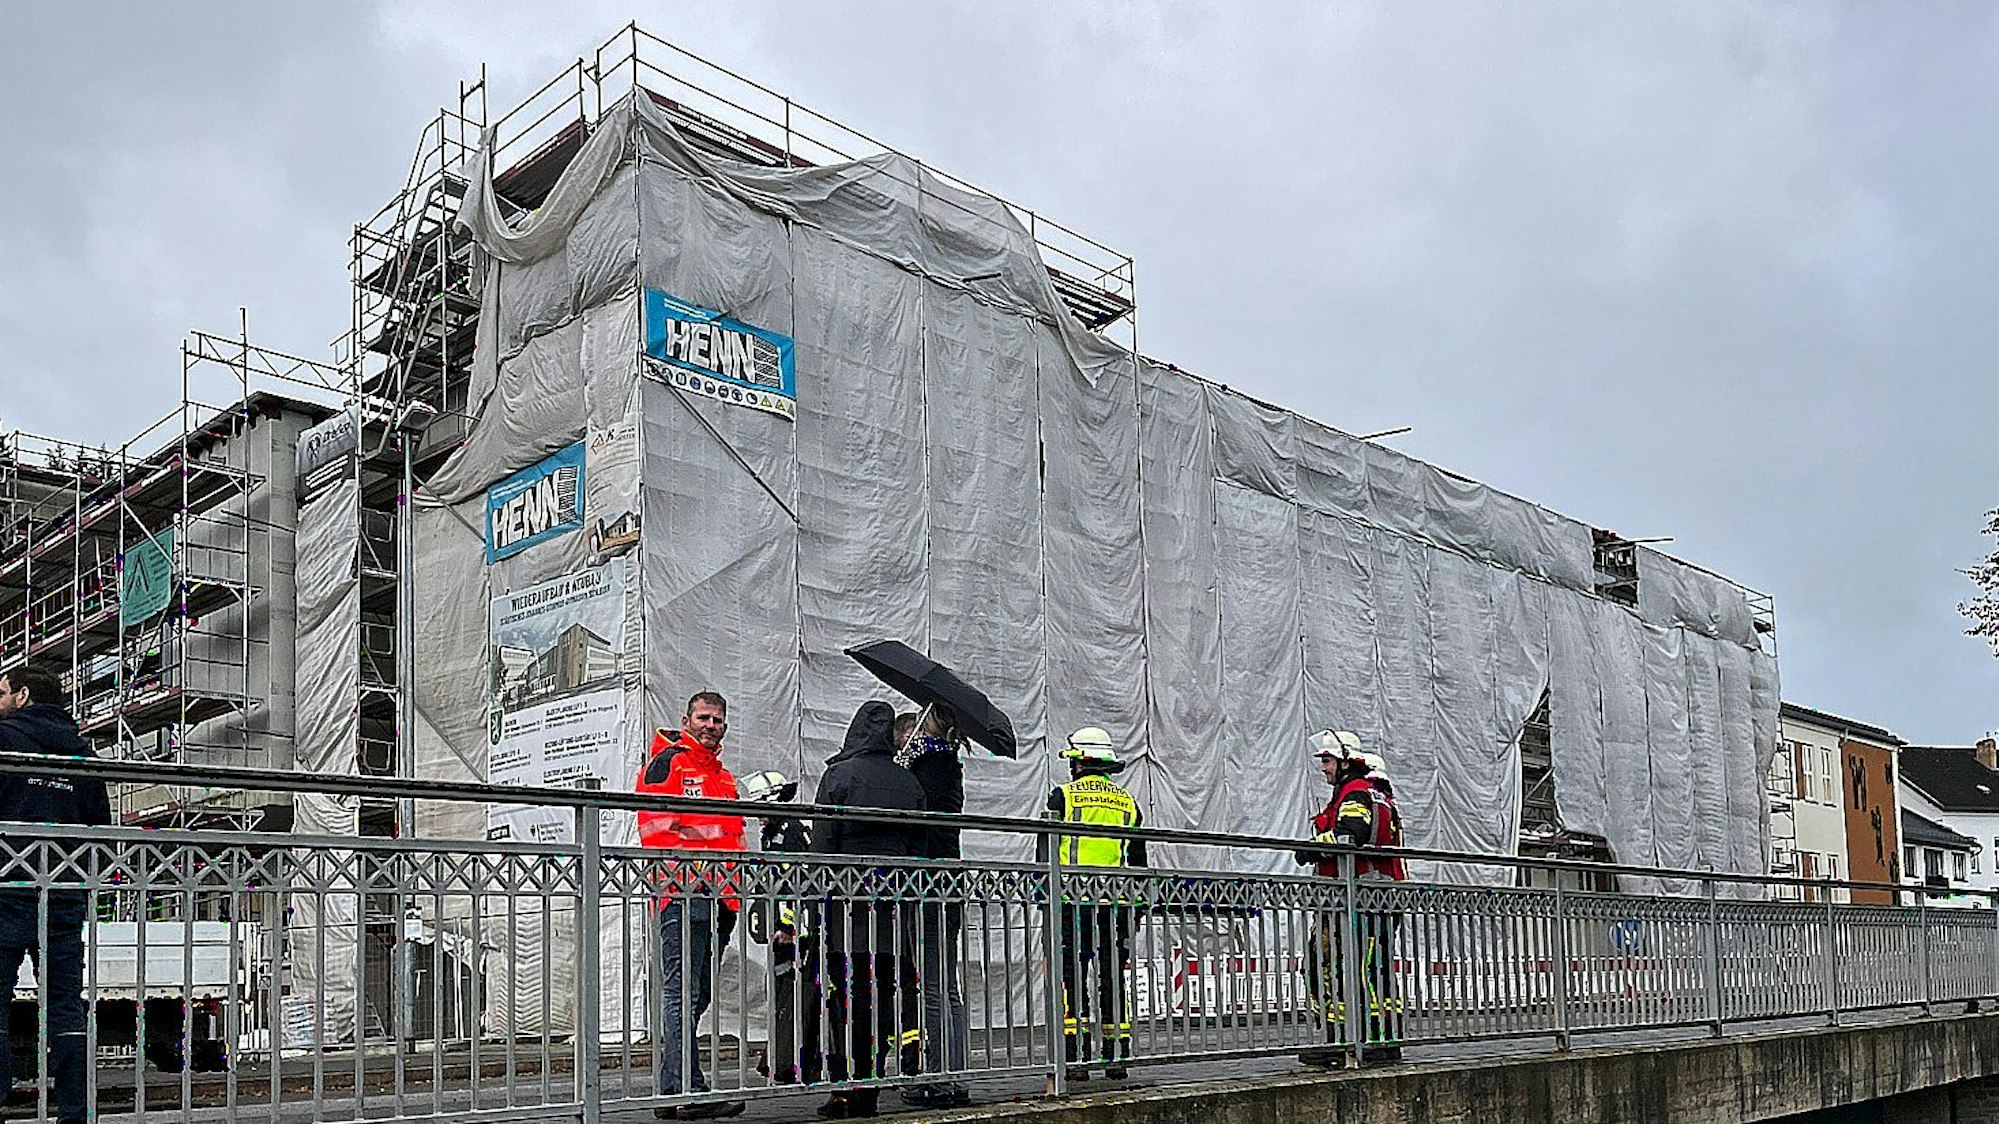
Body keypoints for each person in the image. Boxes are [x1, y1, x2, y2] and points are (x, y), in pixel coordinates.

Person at [0, 667, 111, 1124]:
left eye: (1, 691)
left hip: (5, 887)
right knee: (66, 1003)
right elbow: (98, 829)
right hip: (62, 892)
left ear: (23, 695)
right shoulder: (82, 750)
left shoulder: (2, 738)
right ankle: (75, 1111)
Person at [807, 701, 928, 1119]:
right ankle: (872, 1086)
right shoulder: (909, 783)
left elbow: (822, 847)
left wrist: (812, 909)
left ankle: (847, 1089)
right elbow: (919, 848)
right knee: (883, 999)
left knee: (846, 1001)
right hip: (893, 912)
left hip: (847, 910)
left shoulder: (838, 776)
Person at [635, 692, 747, 1119]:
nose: (711, 725)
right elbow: (657, 831)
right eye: (704, 718)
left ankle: (675, 1088)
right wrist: (696, 876)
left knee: (693, 995)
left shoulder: (723, 776)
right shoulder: (667, 764)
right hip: (684, 894)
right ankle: (686, 1090)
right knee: (683, 992)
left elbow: (731, 839)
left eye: (718, 720)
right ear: (686, 719)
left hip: (719, 898)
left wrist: (733, 892)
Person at [1295, 729, 1405, 1068]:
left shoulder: (1357, 795)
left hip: (1361, 893)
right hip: (1370, 893)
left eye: (1327, 761)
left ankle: (1350, 1038)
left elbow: (1350, 836)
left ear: (1345, 761)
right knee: (1371, 967)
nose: (1323, 768)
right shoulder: (1367, 795)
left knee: (1343, 966)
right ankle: (1377, 1037)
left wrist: (1309, 848)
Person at [1042, 726, 1145, 1082]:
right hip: (1115, 904)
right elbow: (1137, 862)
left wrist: (1045, 901)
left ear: (1079, 762)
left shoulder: (1063, 797)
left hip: (1072, 901)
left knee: (1072, 977)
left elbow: (1046, 857)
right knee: (1112, 976)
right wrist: (1138, 910)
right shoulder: (1128, 803)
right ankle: (1117, 1055)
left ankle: (1076, 1057)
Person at [893, 708, 971, 1109]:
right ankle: (955, 1076)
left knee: (934, 988)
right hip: (948, 883)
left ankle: (941, 1079)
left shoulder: (929, 765)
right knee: (947, 986)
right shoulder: (949, 764)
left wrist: (904, 767)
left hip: (927, 885)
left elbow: (917, 824)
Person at [738, 769, 814, 1087]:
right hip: (786, 930)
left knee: (791, 997)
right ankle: (780, 1061)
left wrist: (787, 926)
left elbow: (797, 884)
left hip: (798, 933)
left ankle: (787, 1064)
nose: (756, 815)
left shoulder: (790, 832)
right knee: (783, 994)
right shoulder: (775, 831)